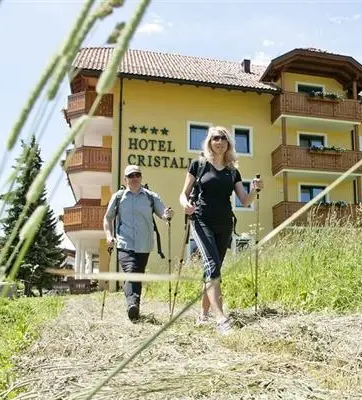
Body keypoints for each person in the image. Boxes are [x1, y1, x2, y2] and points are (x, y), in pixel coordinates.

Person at [179, 126, 263, 335]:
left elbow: (244, 200)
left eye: (224, 139)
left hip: (225, 223)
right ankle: (221, 319)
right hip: (201, 220)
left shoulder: (232, 170)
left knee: (212, 270)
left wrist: (255, 189)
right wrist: (185, 205)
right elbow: (183, 194)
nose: (220, 142)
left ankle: (203, 314)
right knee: (212, 266)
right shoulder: (198, 164)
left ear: (228, 144)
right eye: (216, 138)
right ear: (209, 142)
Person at [104, 164, 173, 322]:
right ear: (125, 179)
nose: (134, 178)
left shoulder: (150, 196)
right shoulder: (119, 197)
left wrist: (168, 214)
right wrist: (109, 235)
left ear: (141, 177)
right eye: (131, 176)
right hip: (124, 242)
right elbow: (108, 217)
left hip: (144, 244)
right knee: (131, 271)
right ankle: (132, 305)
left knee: (137, 275)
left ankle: (134, 306)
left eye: (137, 175)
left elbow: (163, 213)